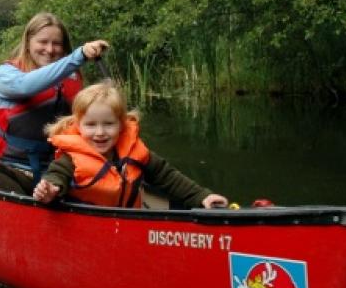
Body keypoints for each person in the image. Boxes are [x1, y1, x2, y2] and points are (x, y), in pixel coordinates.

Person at [33, 82, 228, 209]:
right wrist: (50, 191)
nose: (100, 132)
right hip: (87, 227)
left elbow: (167, 176)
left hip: (128, 226)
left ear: (121, 124)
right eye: (91, 125)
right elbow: (56, 176)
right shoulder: (71, 159)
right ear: (78, 126)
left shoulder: (136, 152)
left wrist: (203, 197)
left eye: (108, 124)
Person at [0, 12, 109, 194]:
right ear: (29, 42)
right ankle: (29, 203)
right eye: (43, 42)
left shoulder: (72, 77)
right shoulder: (6, 73)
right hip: (14, 166)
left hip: (59, 170)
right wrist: (78, 56)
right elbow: (25, 86)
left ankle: (51, 195)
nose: (49, 49)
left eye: (56, 43)